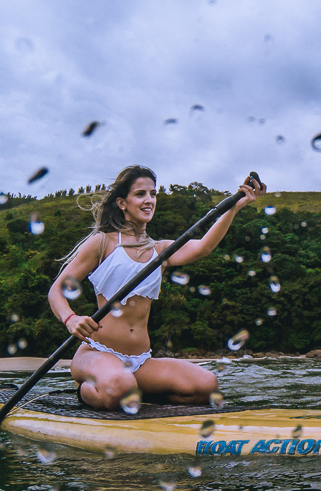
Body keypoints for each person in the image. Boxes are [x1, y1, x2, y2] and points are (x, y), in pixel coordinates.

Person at [48, 165, 262, 409]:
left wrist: (234, 207)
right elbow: (56, 291)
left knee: (206, 385)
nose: (149, 200)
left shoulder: (160, 251)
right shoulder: (102, 243)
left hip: (140, 361)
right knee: (120, 387)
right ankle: (87, 390)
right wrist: (71, 318)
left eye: (153, 194)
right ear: (122, 203)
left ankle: (131, 390)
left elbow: (204, 247)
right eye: (140, 194)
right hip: (97, 353)